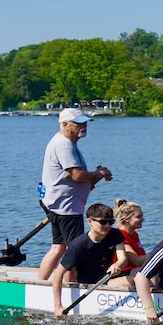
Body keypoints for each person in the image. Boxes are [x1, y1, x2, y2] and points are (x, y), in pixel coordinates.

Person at [38, 108, 113, 279]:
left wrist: (98, 175)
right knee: (75, 250)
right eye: (78, 123)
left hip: (58, 203)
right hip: (66, 207)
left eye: (85, 122)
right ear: (64, 124)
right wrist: (98, 173)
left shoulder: (66, 143)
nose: (84, 126)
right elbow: (77, 176)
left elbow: (79, 181)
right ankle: (69, 287)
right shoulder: (64, 145)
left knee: (58, 247)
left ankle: (41, 283)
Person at [51, 203, 132, 316]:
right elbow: (58, 275)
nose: (107, 225)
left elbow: (122, 259)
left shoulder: (115, 234)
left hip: (108, 278)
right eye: (103, 222)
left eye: (110, 222)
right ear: (90, 221)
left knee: (140, 273)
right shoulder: (78, 245)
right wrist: (58, 306)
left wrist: (117, 265)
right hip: (90, 284)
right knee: (134, 279)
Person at [114, 199, 147, 269]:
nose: (143, 219)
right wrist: (157, 253)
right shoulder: (120, 235)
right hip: (125, 273)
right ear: (127, 219)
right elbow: (136, 261)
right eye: (138, 217)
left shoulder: (134, 234)